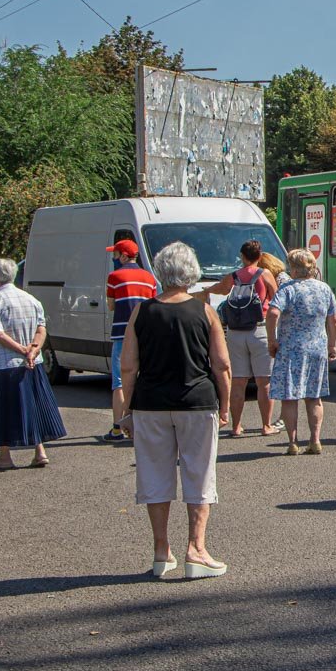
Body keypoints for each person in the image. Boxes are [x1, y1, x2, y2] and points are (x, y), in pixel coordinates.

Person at [118, 242, 231, 579]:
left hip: (150, 404)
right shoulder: (205, 312)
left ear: (160, 272)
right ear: (191, 273)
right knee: (199, 474)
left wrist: (127, 409)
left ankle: (160, 551)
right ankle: (196, 551)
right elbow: (222, 365)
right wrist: (225, 406)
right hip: (196, 402)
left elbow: (127, 367)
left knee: (154, 475)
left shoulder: (142, 311)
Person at [0, 258, 66, 470]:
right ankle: (40, 451)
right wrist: (33, 350)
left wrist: (22, 350)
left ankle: (5, 456)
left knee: (3, 409)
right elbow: (41, 328)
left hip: (3, 364)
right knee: (34, 405)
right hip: (32, 363)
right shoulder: (30, 299)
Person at [196, 240, 279, 437]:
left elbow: (221, 289)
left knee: (238, 381)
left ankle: (236, 426)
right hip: (259, 330)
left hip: (235, 332)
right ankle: (266, 425)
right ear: (259, 256)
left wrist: (207, 291)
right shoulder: (264, 274)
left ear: (242, 256)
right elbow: (276, 298)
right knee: (264, 381)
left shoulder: (234, 276)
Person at [266, 249, 336, 455]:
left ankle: (292, 442)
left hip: (291, 348)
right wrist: (332, 345)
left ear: (293, 268)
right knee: (314, 397)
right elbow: (333, 319)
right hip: (317, 347)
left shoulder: (288, 289)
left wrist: (272, 340)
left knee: (290, 397)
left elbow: (272, 313)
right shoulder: (324, 289)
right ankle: (315, 439)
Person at [104, 240, 157, 442]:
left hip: (122, 334)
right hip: (146, 334)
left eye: (116, 254)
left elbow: (111, 306)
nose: (114, 258)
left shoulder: (114, 277)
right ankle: (145, 424)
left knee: (119, 382)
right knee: (145, 376)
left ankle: (118, 428)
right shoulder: (149, 277)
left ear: (124, 256)